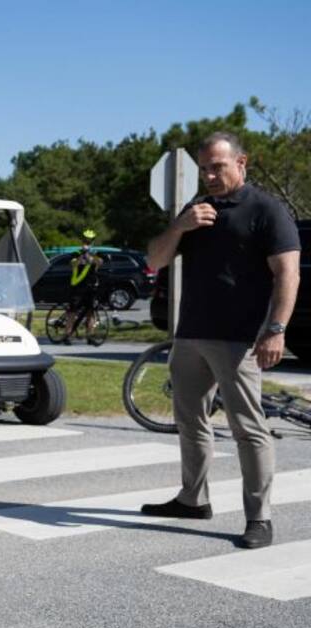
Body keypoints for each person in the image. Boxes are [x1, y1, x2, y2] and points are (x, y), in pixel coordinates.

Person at [141, 132, 300, 549]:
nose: (210, 175)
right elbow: (154, 259)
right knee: (190, 422)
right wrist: (180, 225)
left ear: (241, 163)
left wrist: (276, 328)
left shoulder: (267, 210)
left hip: (239, 338)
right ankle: (193, 499)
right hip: (191, 334)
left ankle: (259, 518)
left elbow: (288, 273)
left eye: (218, 166)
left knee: (248, 428)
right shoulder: (196, 210)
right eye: (204, 168)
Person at [62, 229, 104, 344]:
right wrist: (82, 255)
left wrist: (91, 255)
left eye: (90, 241)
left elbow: (100, 263)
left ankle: (90, 336)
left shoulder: (96, 253)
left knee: (90, 312)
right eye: (86, 241)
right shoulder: (76, 252)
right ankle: (67, 335)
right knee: (72, 311)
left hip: (90, 286)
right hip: (77, 286)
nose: (87, 243)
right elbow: (73, 264)